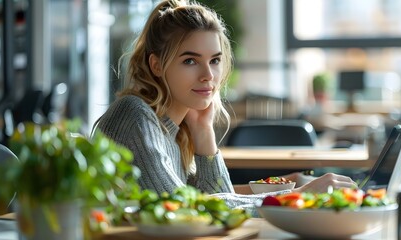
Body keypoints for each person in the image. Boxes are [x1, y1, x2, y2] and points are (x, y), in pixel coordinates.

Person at [93, 0, 356, 215]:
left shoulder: (175, 131)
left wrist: (203, 129)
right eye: (190, 61)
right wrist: (296, 196)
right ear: (157, 65)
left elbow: (215, 198)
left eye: (215, 60)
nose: (208, 75)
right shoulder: (134, 115)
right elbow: (188, 211)